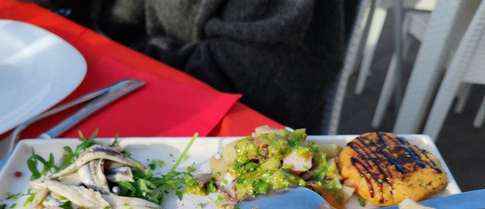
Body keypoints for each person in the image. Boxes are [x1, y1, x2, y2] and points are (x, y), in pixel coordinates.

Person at [20, 0, 359, 134]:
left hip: (237, 135)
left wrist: (109, 59)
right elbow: (113, 15)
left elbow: (252, 75)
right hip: (131, 85)